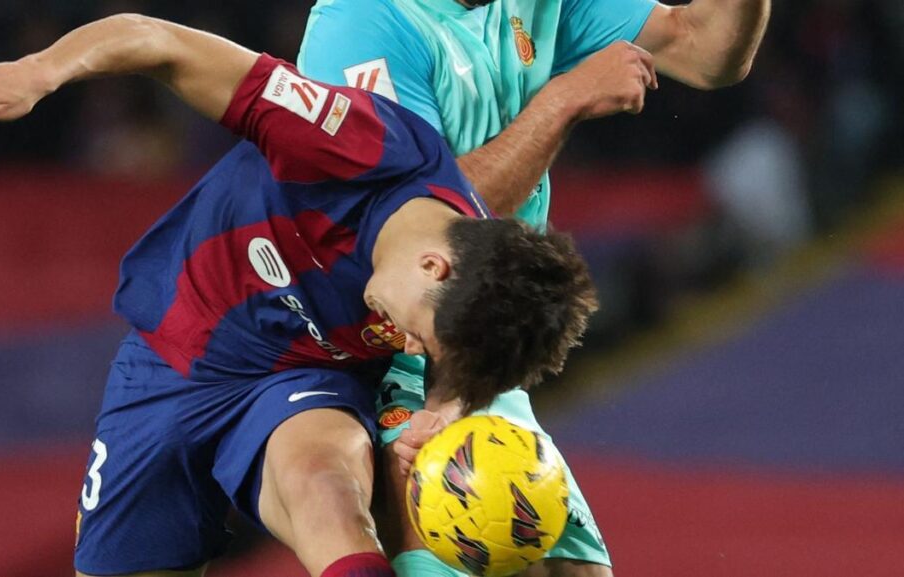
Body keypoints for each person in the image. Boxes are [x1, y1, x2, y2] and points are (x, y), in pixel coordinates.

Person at [0, 13, 608, 577]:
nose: (404, 347)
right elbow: (160, 41)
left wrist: (443, 408)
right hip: (170, 358)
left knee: (323, 487)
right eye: (417, 335)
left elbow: (460, 356)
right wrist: (39, 70)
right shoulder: (350, 140)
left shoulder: (471, 286)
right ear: (432, 266)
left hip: (304, 378)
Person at [298, 0, 771, 575]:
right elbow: (413, 225)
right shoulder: (364, 22)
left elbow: (706, 48)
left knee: (576, 571)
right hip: (386, 346)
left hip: (482, 346)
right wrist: (564, 98)